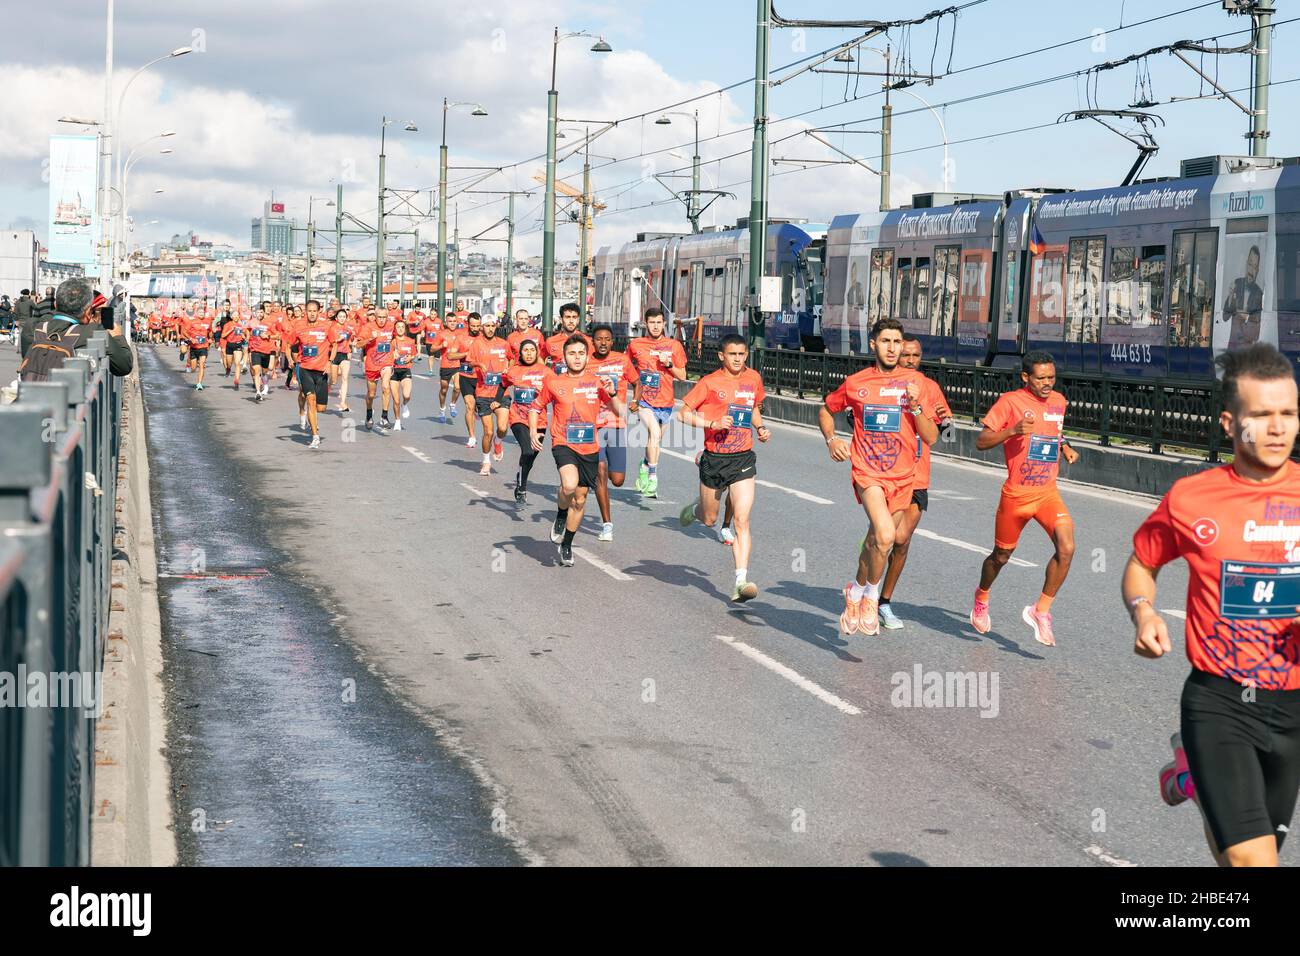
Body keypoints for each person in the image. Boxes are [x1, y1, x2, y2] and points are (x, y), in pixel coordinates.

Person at [1124, 343, 1300, 867]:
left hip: (1292, 710)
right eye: (1261, 415)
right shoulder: (1192, 498)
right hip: (1220, 703)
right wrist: (1144, 610)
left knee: (1242, 863)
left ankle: (1191, 779)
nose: (1277, 428)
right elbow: (1142, 563)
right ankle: (1200, 768)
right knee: (1255, 864)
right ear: (1230, 423)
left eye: (1288, 413)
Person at [819, 318, 937, 636]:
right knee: (886, 536)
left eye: (897, 342)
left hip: (903, 476)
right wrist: (832, 440)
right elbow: (826, 410)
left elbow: (931, 437)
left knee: (874, 541)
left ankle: (855, 591)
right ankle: (871, 596)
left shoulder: (916, 384)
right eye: (885, 341)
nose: (892, 348)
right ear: (874, 344)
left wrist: (914, 406)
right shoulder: (858, 382)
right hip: (867, 471)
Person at [970, 350, 1079, 646]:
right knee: (1001, 556)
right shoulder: (1010, 402)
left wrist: (1064, 447)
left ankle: (1040, 610)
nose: (1047, 383)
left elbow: (1054, 430)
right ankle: (981, 596)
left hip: (1047, 493)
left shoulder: (1059, 401)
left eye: (1051, 377)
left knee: (1067, 547)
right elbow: (981, 442)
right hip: (1016, 495)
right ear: (1025, 377)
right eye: (1041, 378)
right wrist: (1012, 430)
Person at [678, 334, 771, 603]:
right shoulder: (709, 383)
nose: (738, 359)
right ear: (722, 356)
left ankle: (741, 581)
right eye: (732, 355)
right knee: (709, 518)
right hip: (715, 458)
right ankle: (695, 509)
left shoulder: (752, 378)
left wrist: (760, 427)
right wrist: (712, 424)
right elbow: (683, 413)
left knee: (742, 519)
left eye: (742, 355)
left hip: (742, 458)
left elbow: (753, 407)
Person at [530, 334, 626, 567]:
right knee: (569, 485)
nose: (576, 358)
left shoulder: (597, 382)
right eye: (572, 353)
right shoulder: (554, 382)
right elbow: (535, 407)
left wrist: (613, 394)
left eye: (581, 353)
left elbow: (621, 411)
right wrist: (534, 431)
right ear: (564, 357)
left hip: (589, 447)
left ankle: (567, 545)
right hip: (563, 442)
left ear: (586, 356)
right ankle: (561, 514)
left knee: (581, 500)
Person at [877, 334, 953, 629]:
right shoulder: (880, 383)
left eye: (915, 356)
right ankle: (867, 588)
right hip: (883, 473)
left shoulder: (929, 388)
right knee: (883, 538)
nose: (909, 361)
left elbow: (946, 433)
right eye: (905, 355)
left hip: (917, 476)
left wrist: (946, 421)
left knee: (900, 540)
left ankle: (885, 602)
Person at [17, 280, 133, 379]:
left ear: (56, 304)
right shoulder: (93, 332)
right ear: (88, 312)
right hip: (72, 402)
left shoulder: (32, 327)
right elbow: (124, 366)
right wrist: (117, 336)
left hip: (32, 396)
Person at [628, 307, 687, 498]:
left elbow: (683, 376)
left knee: (655, 440)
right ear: (646, 323)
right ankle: (653, 477)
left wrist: (669, 365)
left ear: (664, 323)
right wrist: (633, 397)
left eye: (659, 322)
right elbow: (626, 369)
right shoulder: (636, 344)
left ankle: (645, 465)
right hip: (645, 401)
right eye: (651, 322)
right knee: (653, 433)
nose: (655, 326)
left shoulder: (674, 345)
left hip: (666, 401)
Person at [587, 324, 636, 541]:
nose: (603, 342)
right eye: (599, 339)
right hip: (593, 425)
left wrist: (636, 400)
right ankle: (607, 524)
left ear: (612, 341)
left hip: (616, 424)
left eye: (607, 339)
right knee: (601, 473)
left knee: (617, 480)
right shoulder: (585, 361)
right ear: (593, 341)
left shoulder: (622, 360)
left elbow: (637, 381)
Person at [502, 339, 549, 504]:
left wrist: (544, 392)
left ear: (537, 353)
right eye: (526, 350)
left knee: (530, 458)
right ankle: (522, 489)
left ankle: (521, 475)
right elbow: (503, 384)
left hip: (539, 421)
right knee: (527, 451)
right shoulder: (514, 370)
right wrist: (496, 400)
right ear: (520, 353)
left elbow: (557, 393)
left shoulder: (546, 372)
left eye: (532, 350)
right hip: (518, 417)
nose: (529, 353)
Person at [466, 315, 511, 475]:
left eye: (493, 326)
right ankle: (486, 461)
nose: (490, 329)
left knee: (502, 427)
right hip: (483, 393)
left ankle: (498, 442)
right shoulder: (477, 344)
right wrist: (479, 364)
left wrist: (508, 369)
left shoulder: (503, 344)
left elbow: (512, 359)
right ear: (482, 327)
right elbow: (468, 362)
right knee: (488, 432)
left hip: (501, 391)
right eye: (487, 326)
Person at [288, 300, 336, 448]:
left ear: (319, 311)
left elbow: (334, 344)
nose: (312, 313)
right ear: (306, 312)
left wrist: (330, 362)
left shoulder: (326, 326)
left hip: (321, 371)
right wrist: (290, 359)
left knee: (320, 408)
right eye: (309, 311)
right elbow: (289, 344)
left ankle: (309, 415)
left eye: (314, 311)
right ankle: (315, 436)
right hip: (305, 369)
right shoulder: (299, 326)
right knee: (311, 400)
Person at [445, 312, 483, 448]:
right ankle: (472, 436)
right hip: (466, 377)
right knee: (469, 406)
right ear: (468, 324)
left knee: (478, 408)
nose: (476, 328)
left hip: (481, 379)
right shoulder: (461, 337)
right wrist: (466, 354)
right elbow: (450, 355)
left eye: (478, 326)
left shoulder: (485, 337)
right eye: (473, 325)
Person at [358, 305, 396, 430]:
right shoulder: (368, 327)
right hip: (372, 363)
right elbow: (357, 344)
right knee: (371, 394)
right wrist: (369, 339)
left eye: (384, 317)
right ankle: (369, 414)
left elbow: (398, 337)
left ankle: (384, 417)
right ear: (375, 317)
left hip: (387, 362)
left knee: (386, 387)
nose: (382, 320)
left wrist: (397, 349)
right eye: (379, 317)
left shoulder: (391, 325)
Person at [1224, 244, 1265, 350]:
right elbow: (1225, 317)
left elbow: (1255, 334)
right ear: (1246, 264)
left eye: (1255, 267)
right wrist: (1230, 297)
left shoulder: (1259, 293)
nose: (1251, 270)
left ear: (1258, 270)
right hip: (1231, 350)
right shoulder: (1237, 283)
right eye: (1250, 264)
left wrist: (1241, 317)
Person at [388, 319, 419, 430]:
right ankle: (397, 420)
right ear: (395, 330)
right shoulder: (392, 342)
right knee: (396, 400)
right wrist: (392, 355)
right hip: (394, 372)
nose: (400, 329)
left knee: (406, 395)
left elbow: (414, 354)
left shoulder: (410, 341)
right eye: (398, 327)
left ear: (405, 329)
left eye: (402, 327)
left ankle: (405, 405)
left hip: (405, 370)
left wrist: (410, 357)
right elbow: (386, 356)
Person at [544, 302, 591, 370]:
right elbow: (540, 359)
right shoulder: (550, 341)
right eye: (567, 317)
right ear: (561, 319)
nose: (571, 321)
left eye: (574, 317)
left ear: (578, 320)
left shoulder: (588, 341)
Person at [246, 306, 279, 401]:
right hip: (255, 350)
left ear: (264, 313)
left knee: (266, 370)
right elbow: (246, 332)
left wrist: (268, 336)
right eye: (258, 312)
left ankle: (265, 384)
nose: (260, 314)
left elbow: (277, 335)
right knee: (257, 370)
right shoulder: (251, 323)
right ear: (254, 313)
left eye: (261, 312)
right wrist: (247, 338)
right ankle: (258, 392)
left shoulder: (269, 323)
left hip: (267, 351)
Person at [328, 307, 354, 412]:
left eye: (344, 317)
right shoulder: (332, 328)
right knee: (334, 380)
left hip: (344, 355)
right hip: (334, 354)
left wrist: (350, 350)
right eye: (340, 317)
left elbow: (350, 341)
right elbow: (329, 342)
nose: (342, 318)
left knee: (345, 378)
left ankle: (343, 402)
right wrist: (336, 340)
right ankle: (329, 385)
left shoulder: (348, 330)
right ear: (336, 318)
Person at [219, 308, 248, 389]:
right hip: (229, 345)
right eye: (234, 315)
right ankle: (228, 369)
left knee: (237, 363)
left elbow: (242, 334)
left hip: (238, 344)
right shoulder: (227, 325)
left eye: (237, 315)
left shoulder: (240, 325)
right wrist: (231, 330)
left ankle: (237, 379)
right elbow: (223, 336)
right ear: (231, 316)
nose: (236, 317)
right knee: (229, 363)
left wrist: (244, 337)